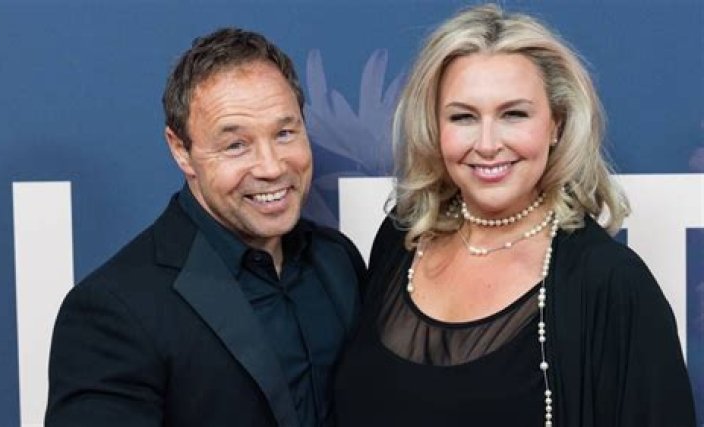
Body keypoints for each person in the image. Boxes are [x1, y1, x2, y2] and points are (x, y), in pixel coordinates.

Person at [334, 4, 695, 427]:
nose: (488, 144)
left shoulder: (611, 285)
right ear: (434, 126)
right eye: (463, 117)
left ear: (556, 124)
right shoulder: (402, 237)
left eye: (514, 114)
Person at [46, 28, 364, 427]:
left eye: (285, 133)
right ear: (181, 150)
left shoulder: (337, 260)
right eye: (236, 145)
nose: (271, 167)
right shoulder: (115, 311)